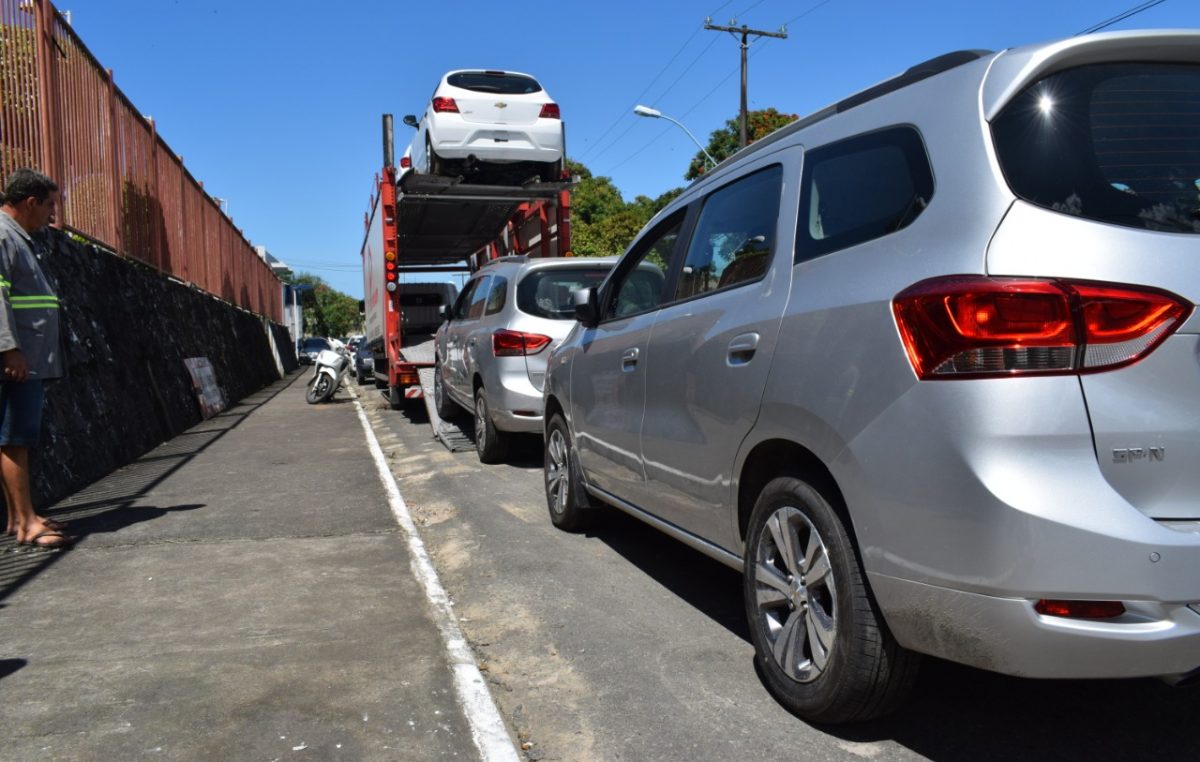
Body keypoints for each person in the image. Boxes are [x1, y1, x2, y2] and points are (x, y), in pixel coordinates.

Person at [0, 169, 71, 549]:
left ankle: (18, 518)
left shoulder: (16, 237)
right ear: (30, 203)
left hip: (24, 353)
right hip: (18, 356)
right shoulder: (4, 236)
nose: (52, 215)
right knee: (16, 438)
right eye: (49, 205)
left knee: (14, 437)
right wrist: (9, 348)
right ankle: (27, 522)